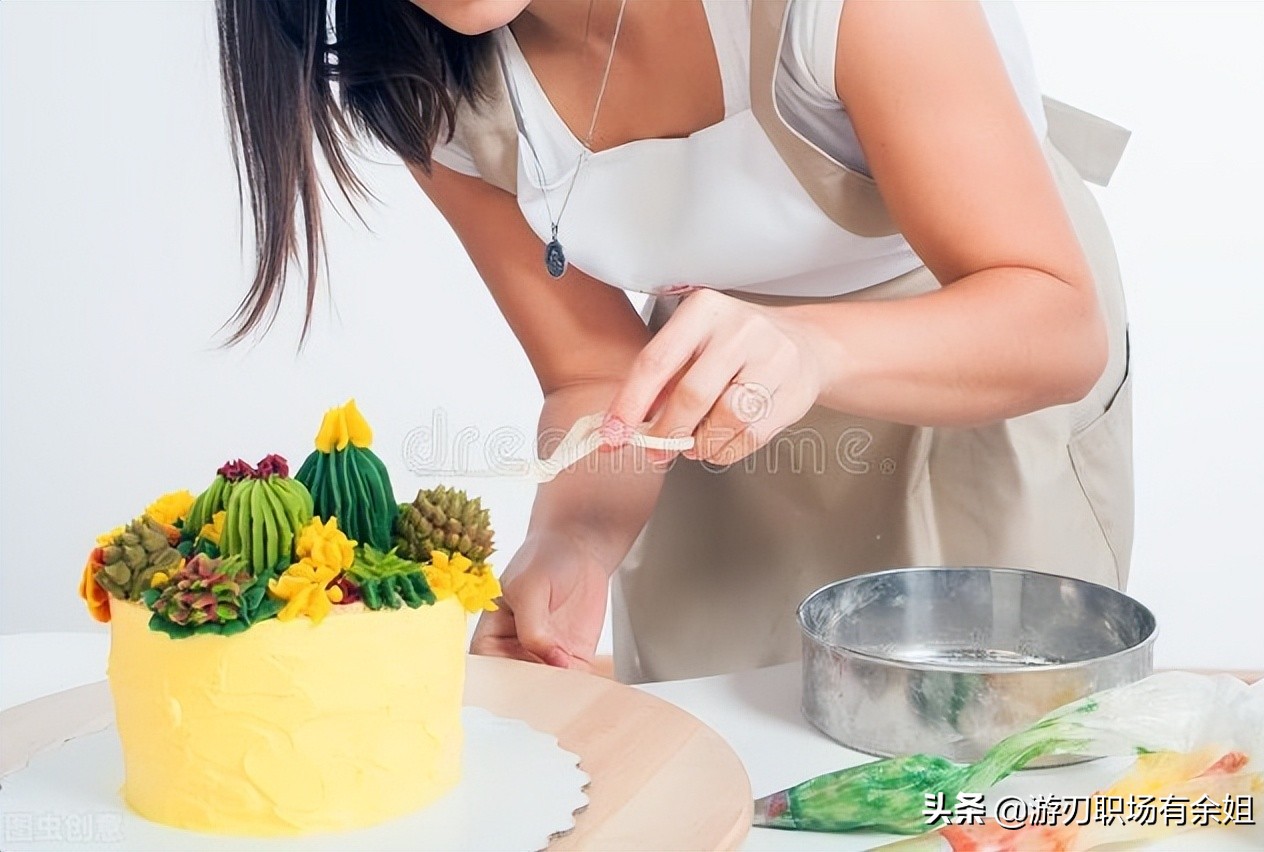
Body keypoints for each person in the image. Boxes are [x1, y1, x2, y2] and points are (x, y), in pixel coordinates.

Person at [215, 0, 1133, 684]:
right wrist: (572, 541)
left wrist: (810, 352)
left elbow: (1057, 325)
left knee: (983, 754)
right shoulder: (425, 84)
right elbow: (591, 374)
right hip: (711, 393)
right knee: (735, 767)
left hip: (971, 359)